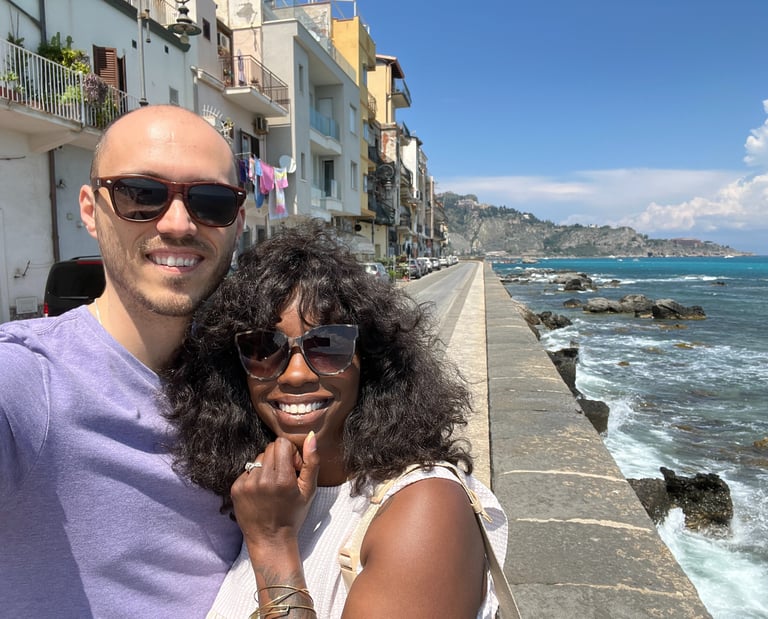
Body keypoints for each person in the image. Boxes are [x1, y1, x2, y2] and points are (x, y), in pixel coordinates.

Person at [165, 221, 508, 618]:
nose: (295, 374)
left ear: (371, 360)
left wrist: (273, 545)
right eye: (263, 348)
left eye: (327, 345)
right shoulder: (263, 494)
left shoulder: (426, 507)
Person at [0, 105, 246, 616]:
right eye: (141, 194)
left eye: (211, 201)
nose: (179, 224)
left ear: (237, 222)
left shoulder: (254, 376)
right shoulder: (30, 378)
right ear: (90, 211)